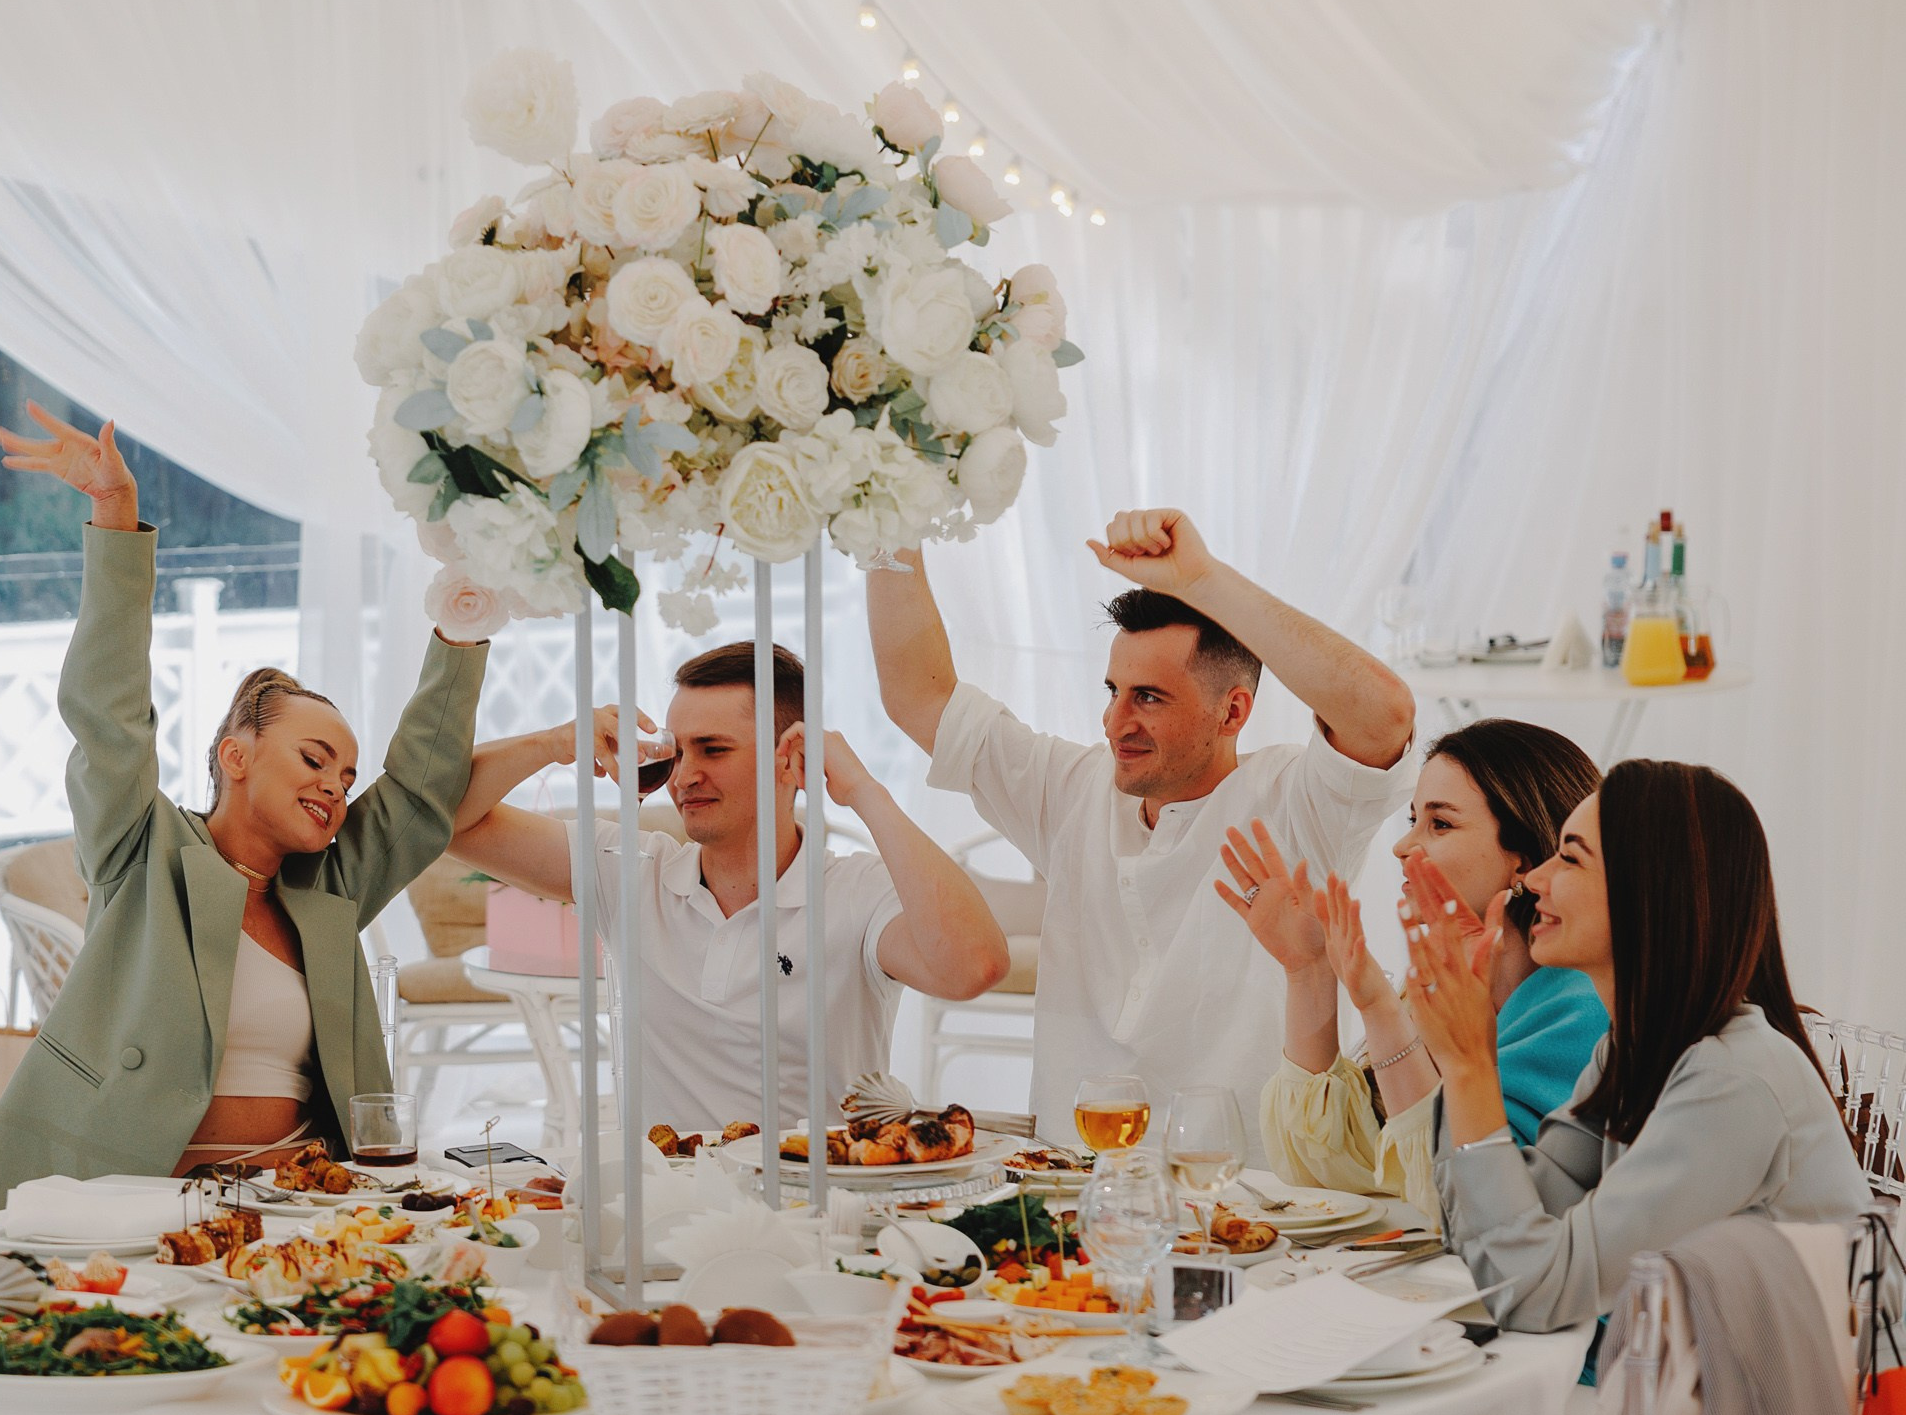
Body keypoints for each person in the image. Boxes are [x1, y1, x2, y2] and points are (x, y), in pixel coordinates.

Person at [0, 404, 489, 1220]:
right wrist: (115, 518)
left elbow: (417, 791)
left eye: (345, 774)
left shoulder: (331, 889)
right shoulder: (143, 852)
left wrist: (463, 625)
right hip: (133, 1207)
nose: (337, 786)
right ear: (236, 756)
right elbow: (109, 717)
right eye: (312, 759)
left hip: (303, 1209)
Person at [865, 509, 1417, 1146]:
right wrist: (888, 515)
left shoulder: (1298, 805)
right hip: (1068, 1193)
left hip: (1248, 1205)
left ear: (1233, 710)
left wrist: (1202, 580)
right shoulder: (1073, 788)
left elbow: (1385, 714)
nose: (1115, 721)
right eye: (1112, 691)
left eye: (1148, 698)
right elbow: (918, 697)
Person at [447, 641, 1010, 1127]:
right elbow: (442, 819)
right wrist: (551, 744)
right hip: (663, 1208)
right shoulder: (629, 866)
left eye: (713, 749)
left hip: (814, 1213)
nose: (685, 775)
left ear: (793, 757)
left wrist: (863, 789)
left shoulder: (858, 892)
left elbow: (971, 967)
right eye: (678, 750)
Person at [1406, 759, 1867, 1332]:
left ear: (1649, 891)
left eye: (1570, 857)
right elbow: (1513, 1219)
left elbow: (1535, 1292)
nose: (1533, 880)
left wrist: (1469, 1064)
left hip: (1797, 1412)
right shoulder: (1632, 1050)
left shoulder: (1731, 1082)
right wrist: (1460, 1057)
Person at [1217, 719, 1610, 1224]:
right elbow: (1321, 1167)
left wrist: (1379, 1010)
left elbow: (1467, 1203)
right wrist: (1308, 970)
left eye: (1440, 824)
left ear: (1523, 862)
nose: (1403, 847)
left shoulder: (1580, 1012)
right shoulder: (1435, 990)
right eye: (1412, 821)